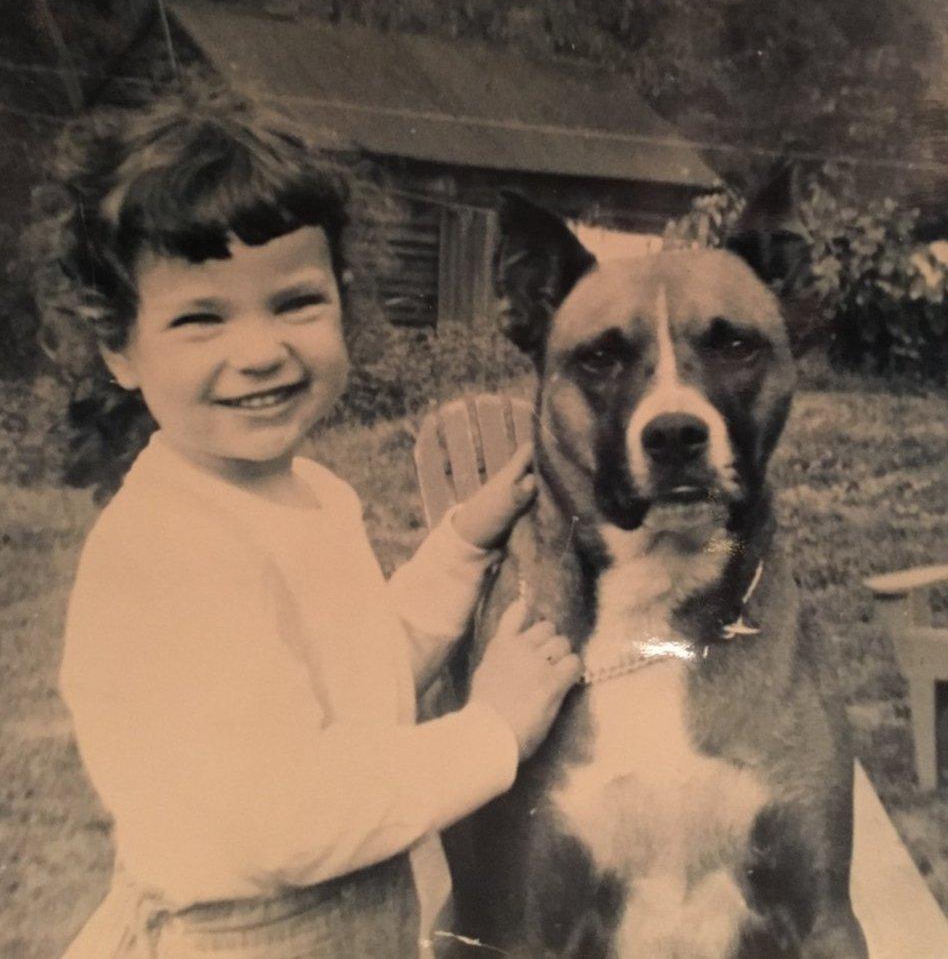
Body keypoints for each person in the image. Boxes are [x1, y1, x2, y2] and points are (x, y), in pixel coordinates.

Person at [46, 91, 581, 957]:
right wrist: (492, 729)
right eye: (200, 318)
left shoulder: (305, 496)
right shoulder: (173, 552)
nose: (259, 351)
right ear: (119, 348)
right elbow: (293, 819)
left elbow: (353, 685)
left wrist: (458, 548)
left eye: (294, 302)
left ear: (343, 300)